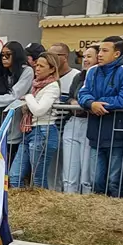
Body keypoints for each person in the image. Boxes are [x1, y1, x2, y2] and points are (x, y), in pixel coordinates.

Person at [77, 36, 123, 197]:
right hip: (96, 133)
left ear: (117, 54)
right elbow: (82, 94)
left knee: (114, 181)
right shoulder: (92, 71)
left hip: (117, 133)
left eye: (105, 51)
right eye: (100, 51)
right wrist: (91, 104)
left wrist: (99, 103)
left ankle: (116, 214)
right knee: (96, 180)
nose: (100, 54)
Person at [8, 51, 63, 189]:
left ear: (52, 69)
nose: (37, 68)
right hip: (30, 130)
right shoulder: (36, 85)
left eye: (41, 66)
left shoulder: (53, 86)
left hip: (44, 130)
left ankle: (41, 206)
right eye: (36, 65)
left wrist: (28, 97)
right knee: (14, 176)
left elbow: (39, 110)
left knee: (38, 178)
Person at [51, 43, 90, 195]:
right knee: (61, 171)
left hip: (71, 124)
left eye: (54, 56)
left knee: (80, 170)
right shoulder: (49, 76)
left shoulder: (75, 75)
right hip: (55, 128)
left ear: (65, 57)